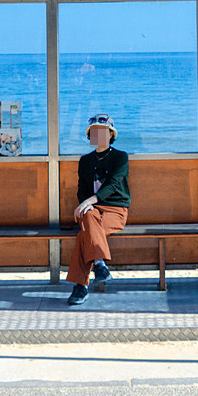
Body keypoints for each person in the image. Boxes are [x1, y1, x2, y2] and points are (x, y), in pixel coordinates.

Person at [66, 113, 130, 307]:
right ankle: (100, 265)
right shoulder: (85, 161)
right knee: (88, 216)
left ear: (111, 135)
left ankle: (81, 286)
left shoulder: (120, 157)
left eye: (103, 131)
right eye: (94, 132)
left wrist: (89, 201)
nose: (98, 135)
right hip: (91, 211)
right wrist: (84, 204)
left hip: (115, 210)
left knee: (84, 235)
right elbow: (82, 190)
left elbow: (113, 184)